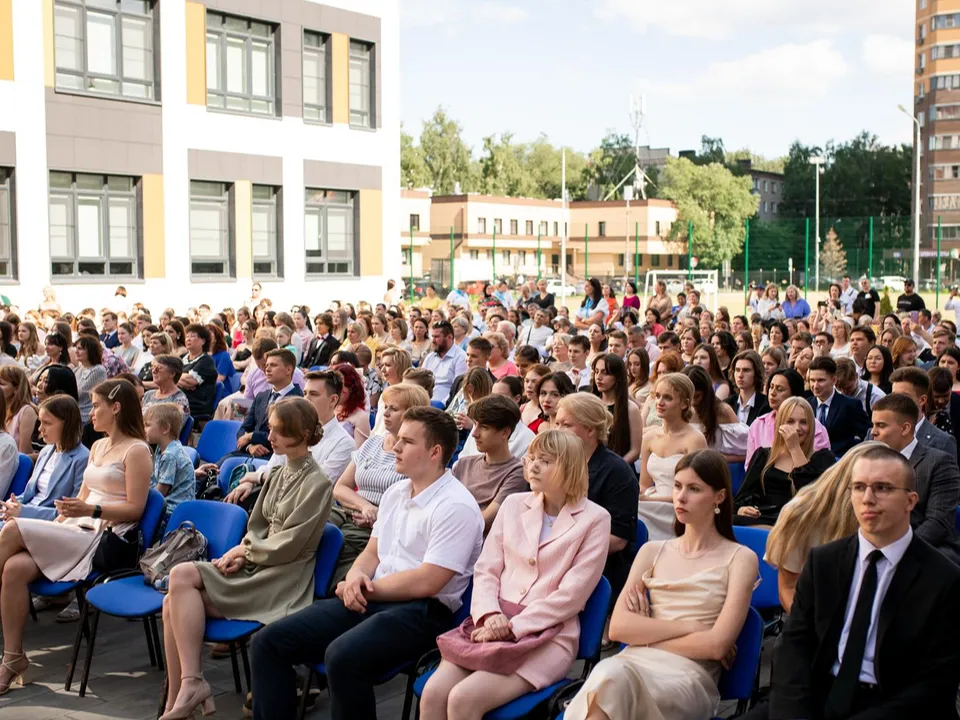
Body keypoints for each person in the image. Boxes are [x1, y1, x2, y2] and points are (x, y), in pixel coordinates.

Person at [248, 407, 484, 720]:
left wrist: (364, 587)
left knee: (343, 657)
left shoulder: (456, 506)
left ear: (434, 452)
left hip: (424, 613)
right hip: (373, 597)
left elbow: (428, 581)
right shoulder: (396, 493)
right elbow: (372, 552)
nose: (395, 447)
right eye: (398, 439)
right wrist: (355, 576)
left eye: (407, 442)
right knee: (267, 642)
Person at [743, 445, 960, 720]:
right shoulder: (824, 561)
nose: (867, 498)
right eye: (858, 487)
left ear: (910, 500)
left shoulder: (943, 578)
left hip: (892, 704)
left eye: (882, 488)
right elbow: (795, 645)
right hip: (820, 693)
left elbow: (934, 684)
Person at [159, 398, 333, 719]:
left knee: (174, 599)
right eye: (272, 429)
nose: (270, 437)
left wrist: (244, 551)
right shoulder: (279, 472)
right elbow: (257, 526)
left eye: (279, 431)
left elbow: (290, 544)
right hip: (257, 563)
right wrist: (244, 552)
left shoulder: (318, 483)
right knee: (179, 581)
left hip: (283, 577)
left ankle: (183, 695)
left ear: (304, 434)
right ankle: (188, 686)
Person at [422, 430, 611, 719]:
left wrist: (513, 626)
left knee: (463, 699)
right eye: (531, 458)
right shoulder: (513, 504)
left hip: (548, 634)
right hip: (491, 622)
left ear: (570, 466)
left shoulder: (595, 519)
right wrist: (490, 614)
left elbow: (571, 596)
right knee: (434, 693)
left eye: (544, 461)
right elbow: (486, 569)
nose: (533, 466)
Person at [564, 449, 758, 720]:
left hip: (688, 677)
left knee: (610, 679)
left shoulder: (741, 558)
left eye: (694, 489)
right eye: (677, 486)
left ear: (719, 497)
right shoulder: (652, 551)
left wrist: (645, 635)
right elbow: (619, 628)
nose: (680, 496)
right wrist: (692, 628)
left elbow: (716, 647)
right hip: (632, 665)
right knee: (611, 677)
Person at [0, 379, 152, 693]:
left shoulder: (137, 450)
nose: (90, 412)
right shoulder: (98, 446)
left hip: (103, 536)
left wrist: (90, 510)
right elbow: (78, 500)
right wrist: (57, 523)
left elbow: (136, 510)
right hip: (75, 529)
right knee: (14, 568)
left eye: (95, 406)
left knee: (13, 528)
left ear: (116, 408)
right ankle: (13, 657)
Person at [325, 382, 430, 587]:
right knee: (308, 531)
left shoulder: (416, 455)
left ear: (412, 414)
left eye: (394, 409)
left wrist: (377, 517)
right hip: (348, 514)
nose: (386, 413)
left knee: (336, 551)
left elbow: (412, 507)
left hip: (375, 530)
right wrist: (365, 506)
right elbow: (340, 487)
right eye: (385, 407)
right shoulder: (372, 443)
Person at [765, 443, 879, 612]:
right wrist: (810, 625)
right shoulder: (802, 514)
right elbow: (789, 588)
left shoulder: (893, 516)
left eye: (885, 488)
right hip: (814, 615)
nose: (872, 497)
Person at [224, 370, 355, 511]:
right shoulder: (294, 430)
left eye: (314, 394)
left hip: (308, 512)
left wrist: (259, 477)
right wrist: (249, 482)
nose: (306, 399)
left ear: (333, 400)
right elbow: (272, 466)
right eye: (305, 393)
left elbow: (312, 486)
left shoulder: (344, 443)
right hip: (276, 501)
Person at [556, 393, 639, 601]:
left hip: (599, 571)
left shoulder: (617, 472)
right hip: (555, 563)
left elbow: (618, 539)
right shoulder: (554, 463)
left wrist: (561, 549)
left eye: (566, 425)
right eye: (556, 424)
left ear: (590, 430)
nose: (558, 431)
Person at [870, 393, 960, 565]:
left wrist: (897, 550)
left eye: (881, 425)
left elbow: (938, 522)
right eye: (873, 424)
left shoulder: (939, 462)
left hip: (925, 549)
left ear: (905, 429)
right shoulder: (869, 460)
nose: (873, 432)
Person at [734, 397, 835, 527]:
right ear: (780, 424)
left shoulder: (823, 458)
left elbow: (813, 498)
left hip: (799, 521)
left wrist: (795, 449)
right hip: (763, 517)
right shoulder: (764, 455)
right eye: (790, 422)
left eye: (804, 422)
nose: (797, 428)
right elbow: (742, 496)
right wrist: (742, 509)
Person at [637, 373, 708, 540]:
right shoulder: (649, 437)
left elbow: (696, 490)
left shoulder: (695, 439)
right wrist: (643, 497)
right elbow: (644, 484)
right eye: (657, 396)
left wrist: (648, 500)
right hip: (652, 502)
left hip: (682, 507)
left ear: (684, 403)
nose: (660, 402)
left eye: (667, 398)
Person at [0, 395, 88, 525]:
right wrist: (10, 504)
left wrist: (24, 511)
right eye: (40, 422)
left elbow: (71, 512)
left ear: (66, 424)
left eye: (47, 423)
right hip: (23, 515)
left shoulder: (82, 458)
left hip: (45, 523)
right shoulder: (46, 451)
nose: (40, 429)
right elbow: (29, 494)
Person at [452, 395, 527, 533]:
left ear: (505, 433)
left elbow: (486, 520)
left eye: (484, 427)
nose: (474, 433)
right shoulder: (463, 465)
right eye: (475, 424)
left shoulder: (517, 472)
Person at [746, 368, 831, 469]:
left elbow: (819, 472)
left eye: (780, 389)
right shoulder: (758, 425)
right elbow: (750, 467)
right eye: (771, 387)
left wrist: (794, 448)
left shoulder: (816, 428)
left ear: (794, 394)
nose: (772, 393)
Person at [226, 349, 302, 462]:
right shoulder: (261, 396)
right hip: (248, 452)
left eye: (273, 365)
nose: (267, 369)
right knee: (214, 469)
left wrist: (252, 436)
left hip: (273, 458)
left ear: (288, 369)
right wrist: (249, 447)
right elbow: (244, 428)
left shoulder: (298, 400)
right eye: (266, 365)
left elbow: (285, 435)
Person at [682, 366, 748, 463]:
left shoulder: (722, 411)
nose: (692, 402)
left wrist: (715, 458)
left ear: (706, 393)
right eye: (688, 397)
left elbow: (746, 451)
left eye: (697, 396)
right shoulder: (678, 409)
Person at [889, 367, 958, 460]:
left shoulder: (943, 442)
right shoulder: (879, 433)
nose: (897, 401)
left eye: (904, 396)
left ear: (922, 400)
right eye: (894, 396)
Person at [143, 403, 195, 525]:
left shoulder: (170, 455)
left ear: (165, 428)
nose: (144, 429)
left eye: (148, 425)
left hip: (172, 512)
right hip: (167, 507)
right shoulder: (161, 449)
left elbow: (160, 493)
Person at [809, 355, 871, 456]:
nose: (815, 386)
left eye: (821, 380)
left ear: (834, 380)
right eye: (812, 380)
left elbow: (868, 436)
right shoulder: (807, 404)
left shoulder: (850, 405)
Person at [591, 353, 643, 465]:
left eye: (605, 373)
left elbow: (635, 451)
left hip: (620, 467)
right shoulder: (591, 404)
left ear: (617, 377)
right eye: (596, 371)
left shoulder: (631, 409)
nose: (598, 377)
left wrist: (615, 467)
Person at [177, 324, 218, 422]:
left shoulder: (206, 361)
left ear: (203, 341)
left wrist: (175, 377)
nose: (188, 339)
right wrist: (180, 379)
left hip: (196, 404)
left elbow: (190, 381)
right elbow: (170, 376)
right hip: (179, 398)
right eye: (187, 336)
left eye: (193, 336)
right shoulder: (182, 358)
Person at [422, 321, 468, 405]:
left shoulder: (460, 357)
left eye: (437, 337)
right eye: (432, 337)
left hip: (446, 406)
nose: (433, 341)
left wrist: (443, 404)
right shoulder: (430, 357)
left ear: (449, 337)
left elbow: (458, 388)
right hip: (425, 402)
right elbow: (420, 381)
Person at [0, 366, 38, 458]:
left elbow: (24, 454)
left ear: (16, 388)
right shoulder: (3, 409)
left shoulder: (26, 411)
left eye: (1, 384)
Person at [726, 350, 770, 425]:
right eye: (737, 370)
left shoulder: (766, 406)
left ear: (757, 373)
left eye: (746, 370)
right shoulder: (728, 404)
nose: (740, 375)